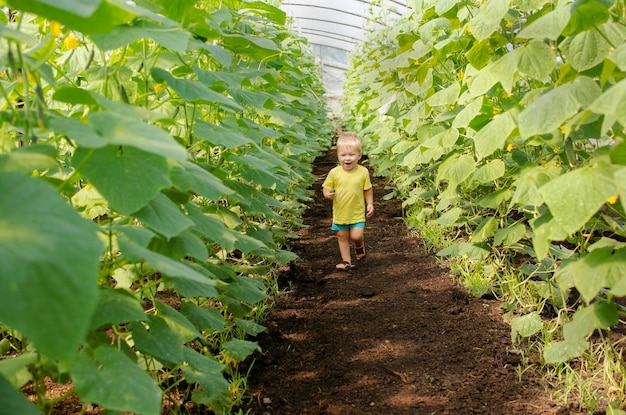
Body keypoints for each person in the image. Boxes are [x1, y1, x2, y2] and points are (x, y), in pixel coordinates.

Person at [322, 132, 374, 270]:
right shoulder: (335, 173)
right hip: (340, 213)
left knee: (356, 236)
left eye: (351, 155)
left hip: (357, 212)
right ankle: (346, 261)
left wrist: (370, 203)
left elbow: (367, 189)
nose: (347, 158)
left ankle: (359, 245)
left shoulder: (363, 172)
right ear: (338, 156)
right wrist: (327, 194)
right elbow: (326, 187)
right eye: (343, 155)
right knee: (342, 236)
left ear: (359, 155)